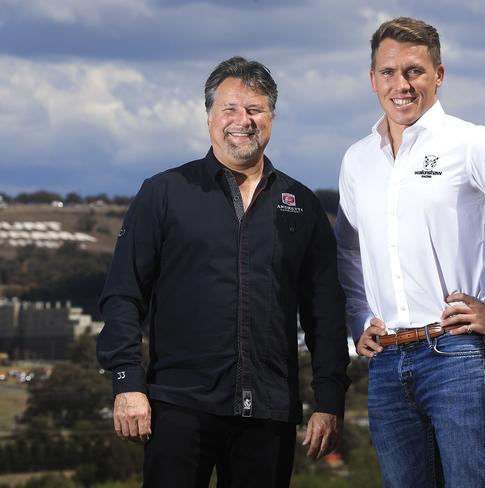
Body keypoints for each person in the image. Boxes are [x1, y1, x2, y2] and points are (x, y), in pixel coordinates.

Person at [335, 17, 485, 487]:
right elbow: (347, 250)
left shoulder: (472, 144)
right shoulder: (357, 160)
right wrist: (359, 317)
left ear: (439, 75)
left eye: (414, 71)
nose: (400, 84)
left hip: (460, 356)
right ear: (372, 80)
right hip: (386, 362)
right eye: (388, 72)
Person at [97, 56, 350, 488]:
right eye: (230, 109)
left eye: (255, 110)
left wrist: (329, 400)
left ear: (271, 117)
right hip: (177, 407)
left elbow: (325, 313)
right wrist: (127, 381)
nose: (242, 121)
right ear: (210, 117)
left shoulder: (302, 205)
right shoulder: (164, 193)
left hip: (269, 413)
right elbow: (124, 295)